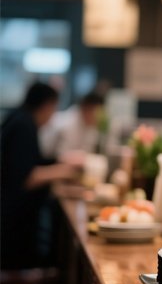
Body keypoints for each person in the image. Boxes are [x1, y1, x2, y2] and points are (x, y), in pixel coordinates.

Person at [1, 82, 79, 269]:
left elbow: (31, 162)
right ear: (47, 105)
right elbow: (26, 178)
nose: (52, 116)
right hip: (13, 225)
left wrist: (60, 161)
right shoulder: (24, 125)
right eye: (54, 109)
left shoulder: (19, 118)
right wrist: (64, 171)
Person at [39, 90, 105, 162]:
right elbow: (60, 156)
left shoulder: (91, 126)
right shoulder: (68, 124)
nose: (99, 117)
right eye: (97, 112)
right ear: (86, 108)